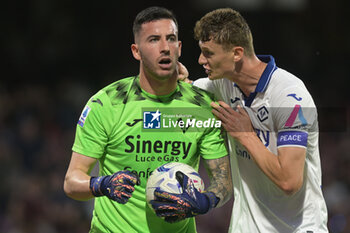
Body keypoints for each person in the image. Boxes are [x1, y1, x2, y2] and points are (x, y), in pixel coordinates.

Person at [63, 6, 232, 233]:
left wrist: (206, 201)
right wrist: (101, 184)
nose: (164, 48)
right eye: (153, 40)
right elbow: (72, 182)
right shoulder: (106, 104)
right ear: (136, 51)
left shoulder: (201, 107)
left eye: (170, 39)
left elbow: (223, 182)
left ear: (179, 48)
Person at [185, 8, 328, 233]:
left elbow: (289, 182)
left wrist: (245, 135)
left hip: (298, 228)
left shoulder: (290, 96)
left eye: (208, 53)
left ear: (237, 53)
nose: (201, 59)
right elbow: (185, 89)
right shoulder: (222, 84)